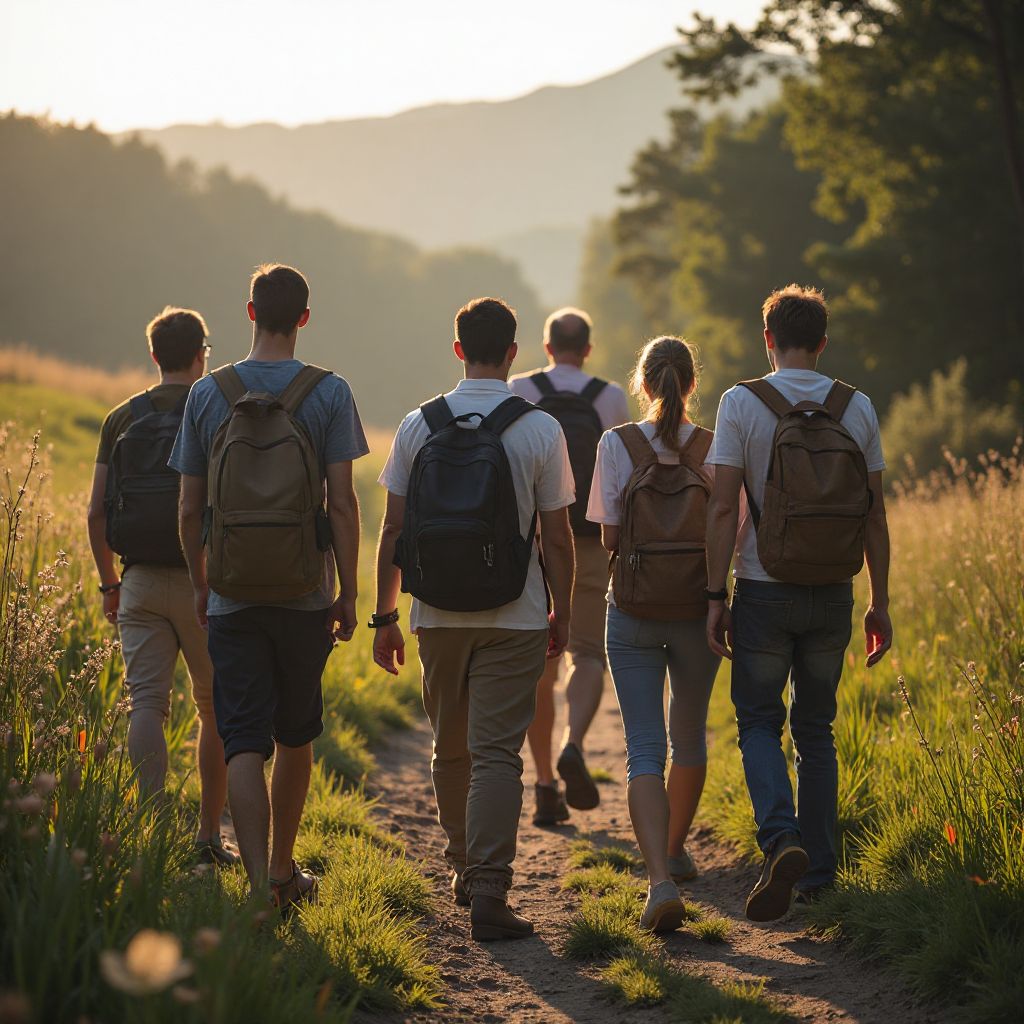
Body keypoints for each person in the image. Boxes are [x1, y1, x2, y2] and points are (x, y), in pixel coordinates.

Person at [373, 296, 576, 942]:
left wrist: (384, 616)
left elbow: (394, 529)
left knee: (450, 745)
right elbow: (559, 537)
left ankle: (462, 862)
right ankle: (489, 887)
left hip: (434, 610)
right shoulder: (539, 429)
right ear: (514, 353)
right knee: (496, 753)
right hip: (514, 613)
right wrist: (562, 610)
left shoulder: (417, 425)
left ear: (458, 349)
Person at [169, 264, 368, 911]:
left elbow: (188, 510)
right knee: (295, 735)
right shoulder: (328, 392)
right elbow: (342, 504)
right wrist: (349, 592)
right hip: (306, 592)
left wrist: (203, 584)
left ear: (249, 311)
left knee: (243, 738)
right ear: (304, 318)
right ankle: (285, 872)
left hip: (232, 594)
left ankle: (256, 886)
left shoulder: (208, 394)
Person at [705, 284, 892, 921]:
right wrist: (880, 603)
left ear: (767, 339)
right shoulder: (855, 405)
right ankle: (817, 872)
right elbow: (875, 514)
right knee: (817, 730)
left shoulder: (741, 402)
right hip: (834, 591)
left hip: (762, 588)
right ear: (822, 343)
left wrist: (714, 594)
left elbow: (723, 504)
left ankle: (780, 838)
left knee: (758, 722)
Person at [87, 307, 237, 865]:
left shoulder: (121, 418)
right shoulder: (217, 412)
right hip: (208, 584)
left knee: (146, 704)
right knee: (215, 708)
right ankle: (206, 839)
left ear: (154, 355)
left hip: (141, 581)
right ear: (203, 353)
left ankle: (150, 835)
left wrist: (110, 585)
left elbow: (96, 515)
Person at [587, 336, 721, 932]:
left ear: (642, 384)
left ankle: (660, 882)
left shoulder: (617, 445)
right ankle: (671, 848)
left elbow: (610, 541)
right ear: (692, 384)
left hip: (634, 610)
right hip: (699, 610)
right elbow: (732, 534)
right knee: (688, 738)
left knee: (644, 745)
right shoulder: (716, 448)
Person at [509, 308, 629, 826]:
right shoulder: (610, 397)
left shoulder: (519, 388)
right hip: (592, 540)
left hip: (532, 542)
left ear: (547, 344)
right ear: (589, 348)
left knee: (541, 664)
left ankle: (543, 785)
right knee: (586, 651)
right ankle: (574, 742)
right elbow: (620, 474)